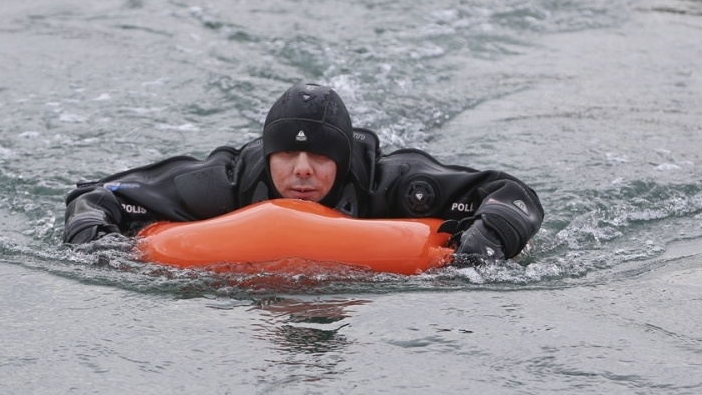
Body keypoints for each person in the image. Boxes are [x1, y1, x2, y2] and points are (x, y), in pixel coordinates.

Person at [64, 83, 544, 264]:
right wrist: (98, 244)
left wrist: (484, 245)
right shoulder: (223, 183)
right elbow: (96, 195)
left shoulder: (393, 183)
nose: (302, 171)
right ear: (267, 155)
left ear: (343, 160)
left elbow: (512, 194)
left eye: (321, 157)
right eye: (287, 157)